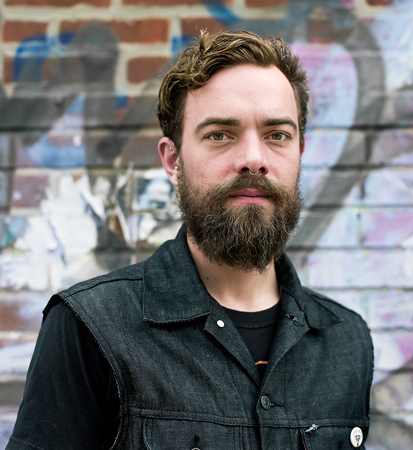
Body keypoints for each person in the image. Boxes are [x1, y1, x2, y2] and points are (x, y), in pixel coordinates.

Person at [7, 29, 373, 450]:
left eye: (277, 135)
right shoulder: (90, 328)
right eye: (220, 134)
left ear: (300, 153)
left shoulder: (347, 341)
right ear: (173, 160)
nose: (254, 159)